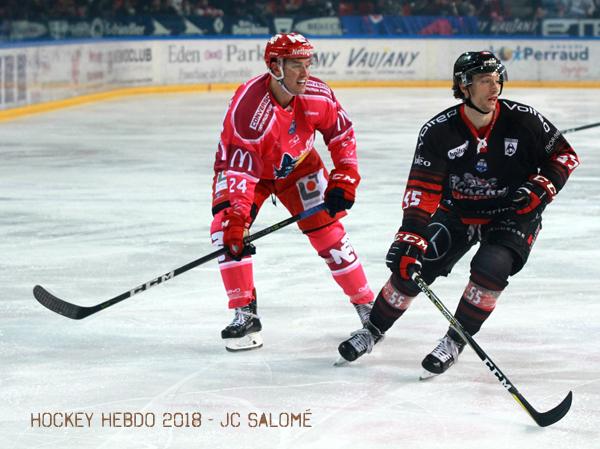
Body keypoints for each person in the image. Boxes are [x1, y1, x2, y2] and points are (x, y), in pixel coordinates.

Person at [337, 51, 580, 378]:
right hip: (457, 212)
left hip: (512, 214)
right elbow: (423, 189)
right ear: (464, 86)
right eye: (485, 81)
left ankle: (455, 340)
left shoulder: (524, 119)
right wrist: (411, 235)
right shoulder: (438, 131)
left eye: (497, 80)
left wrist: (541, 186)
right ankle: (373, 329)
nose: (494, 88)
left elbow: (564, 156)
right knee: (412, 266)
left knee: (491, 269)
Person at [210, 32, 374, 351]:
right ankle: (244, 313)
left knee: (327, 231)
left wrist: (345, 175)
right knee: (226, 229)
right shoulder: (249, 110)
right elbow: (241, 170)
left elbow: (341, 134)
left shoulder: (317, 95)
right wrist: (238, 219)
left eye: (307, 63)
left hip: (298, 165)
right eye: (296, 65)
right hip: (249, 170)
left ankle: (367, 305)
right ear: (275, 67)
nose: (305, 72)